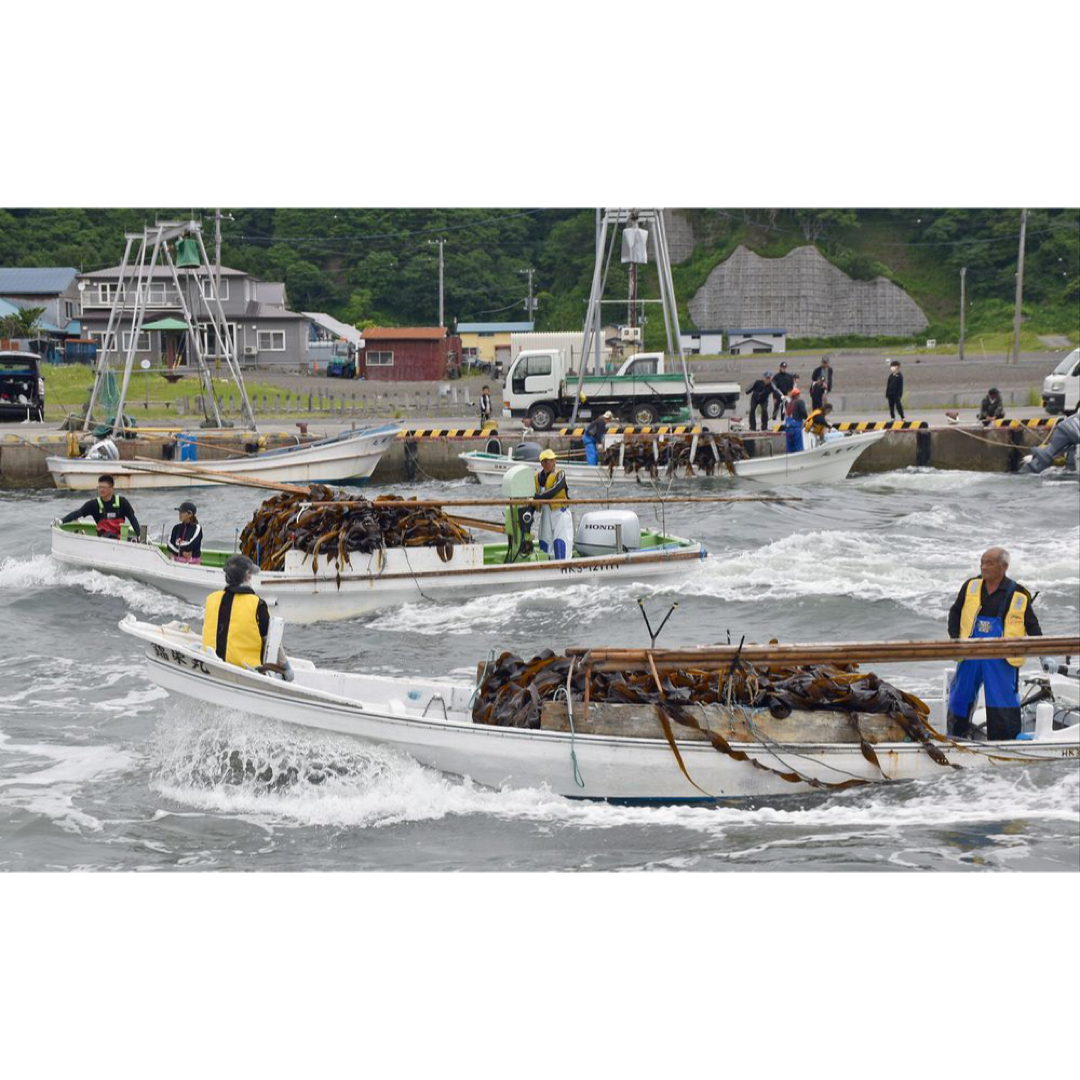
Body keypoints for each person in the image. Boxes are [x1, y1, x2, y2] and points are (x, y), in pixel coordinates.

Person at [946, 547, 1042, 741]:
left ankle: (1005, 745)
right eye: (982, 562)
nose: (983, 567)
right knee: (960, 698)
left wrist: (1044, 655)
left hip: (1001, 659)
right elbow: (955, 612)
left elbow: (1032, 626)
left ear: (1004, 567)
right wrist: (955, 638)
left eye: (989, 563)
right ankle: (956, 739)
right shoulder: (970, 586)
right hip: (970, 654)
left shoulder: (1019, 594)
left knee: (1002, 700)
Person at [202, 554, 293, 680]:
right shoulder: (257, 604)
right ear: (247, 576)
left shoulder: (211, 599)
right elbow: (272, 641)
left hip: (210, 665)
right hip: (247, 672)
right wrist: (286, 666)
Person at [59, 474, 140, 540]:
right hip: (102, 540)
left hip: (120, 540)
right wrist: (61, 521)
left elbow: (132, 518)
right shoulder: (94, 504)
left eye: (104, 487)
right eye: (99, 487)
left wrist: (139, 535)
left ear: (111, 488)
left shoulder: (122, 502)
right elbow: (78, 513)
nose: (101, 490)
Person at [534, 449, 573, 560]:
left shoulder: (560, 475)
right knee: (544, 542)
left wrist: (538, 497)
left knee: (561, 541)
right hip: (546, 513)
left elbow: (555, 489)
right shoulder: (537, 477)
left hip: (560, 512)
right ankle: (547, 565)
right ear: (542, 463)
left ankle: (564, 564)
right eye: (547, 461)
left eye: (552, 460)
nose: (551, 463)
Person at [783, 387, 808, 452]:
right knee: (798, 447)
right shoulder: (800, 402)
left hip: (787, 427)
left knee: (790, 447)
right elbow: (803, 412)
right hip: (795, 426)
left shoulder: (788, 404)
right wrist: (807, 419)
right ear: (797, 395)